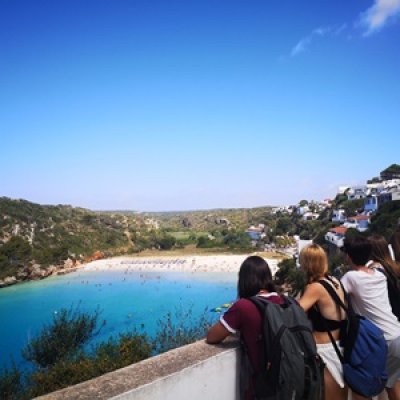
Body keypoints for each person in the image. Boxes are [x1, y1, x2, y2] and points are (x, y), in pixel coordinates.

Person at [206, 255, 284, 400]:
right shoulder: (286, 301)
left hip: (262, 389)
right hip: (290, 382)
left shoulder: (244, 307)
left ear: (244, 281)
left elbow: (212, 337)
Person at [341, 236, 400, 400]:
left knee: (362, 388)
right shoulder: (379, 275)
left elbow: (336, 296)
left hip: (381, 340)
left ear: (349, 257)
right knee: (391, 384)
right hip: (396, 333)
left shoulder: (350, 277)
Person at [298, 244, 348, 400]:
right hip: (340, 345)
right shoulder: (334, 281)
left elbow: (295, 312)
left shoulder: (315, 288)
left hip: (324, 349)